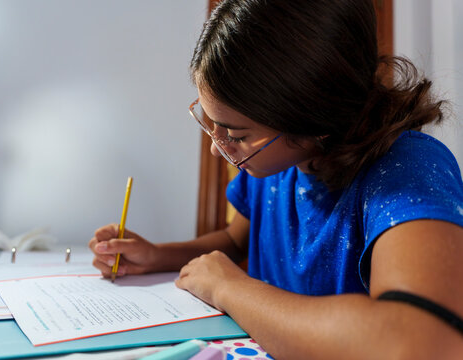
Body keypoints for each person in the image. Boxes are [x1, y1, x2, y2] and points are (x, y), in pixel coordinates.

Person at [89, 0, 463, 358]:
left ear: (314, 120)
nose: (218, 151)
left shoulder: (407, 171)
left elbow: (421, 341)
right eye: (213, 125)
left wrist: (228, 287)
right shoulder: (272, 162)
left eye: (236, 136)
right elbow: (236, 242)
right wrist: (157, 256)